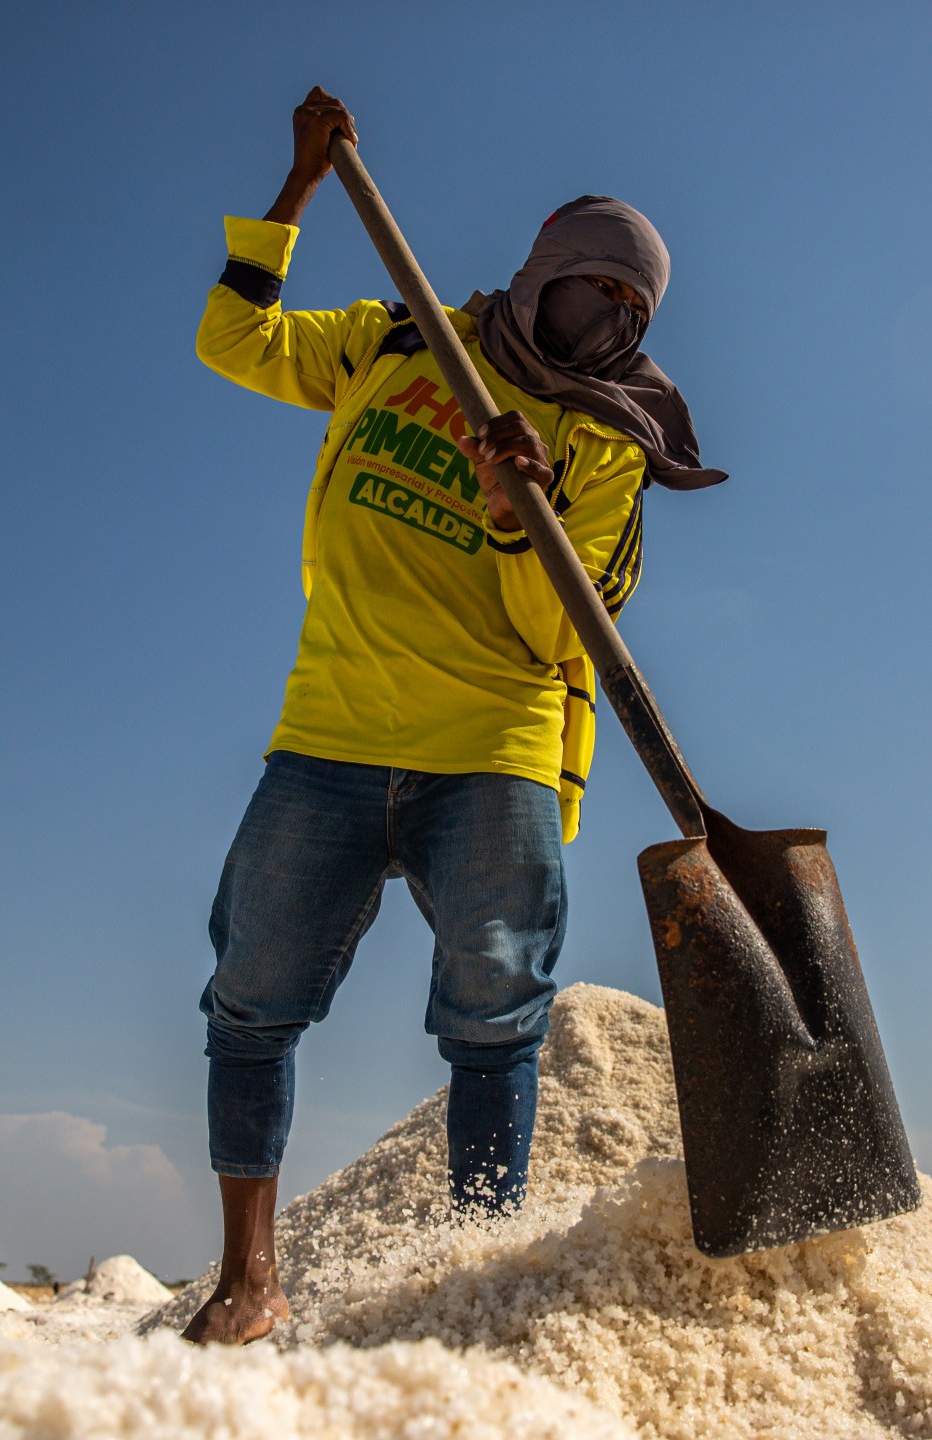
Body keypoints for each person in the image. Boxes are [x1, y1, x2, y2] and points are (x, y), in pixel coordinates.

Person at [181, 87, 723, 1345]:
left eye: (633, 311)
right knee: (250, 1005)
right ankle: (248, 1285)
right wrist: (301, 190)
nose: (608, 319)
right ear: (541, 270)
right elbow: (233, 343)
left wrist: (510, 500)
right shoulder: (394, 340)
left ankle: (475, 1289)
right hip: (326, 736)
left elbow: (557, 633)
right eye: (593, 285)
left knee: (492, 1022)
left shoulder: (605, 447)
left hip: (494, 756)